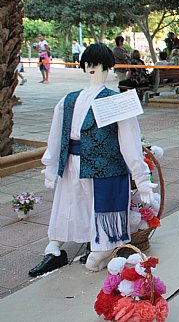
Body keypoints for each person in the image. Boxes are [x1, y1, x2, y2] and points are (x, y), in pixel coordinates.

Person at [30, 44, 155, 277]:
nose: (93, 68)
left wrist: (141, 178)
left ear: (107, 67)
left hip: (104, 165)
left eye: (98, 64)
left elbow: (130, 141)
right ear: (84, 66)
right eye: (89, 63)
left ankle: (103, 246)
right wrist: (51, 165)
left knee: (98, 205)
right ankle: (58, 243)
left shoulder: (117, 100)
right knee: (70, 202)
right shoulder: (68, 99)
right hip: (73, 163)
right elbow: (57, 134)